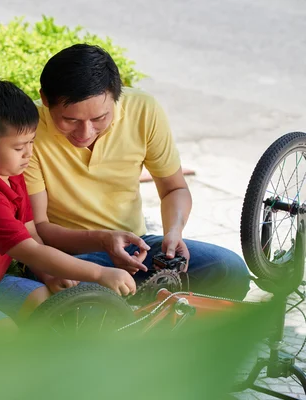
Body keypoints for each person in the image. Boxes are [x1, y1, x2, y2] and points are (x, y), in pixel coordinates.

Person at [23, 44, 251, 300]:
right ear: (45, 100)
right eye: (70, 120)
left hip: (138, 248)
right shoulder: (27, 129)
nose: (85, 132)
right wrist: (101, 241)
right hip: (70, 258)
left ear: (116, 97)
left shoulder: (143, 110)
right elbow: (38, 226)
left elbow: (174, 188)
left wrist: (173, 234)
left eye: (99, 118)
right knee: (72, 296)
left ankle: (143, 311)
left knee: (230, 271)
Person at [0, 79, 140, 332]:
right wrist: (99, 273)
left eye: (31, 142)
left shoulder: (13, 176)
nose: (28, 153)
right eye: (19, 147)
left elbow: (30, 230)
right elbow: (30, 251)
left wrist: (48, 274)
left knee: (49, 305)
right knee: (4, 331)